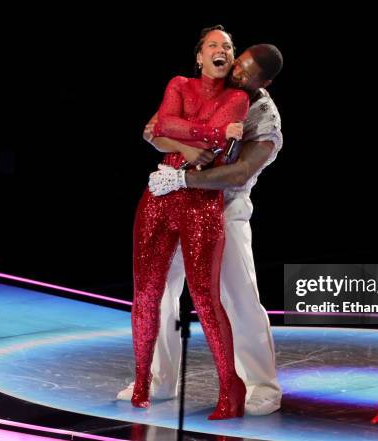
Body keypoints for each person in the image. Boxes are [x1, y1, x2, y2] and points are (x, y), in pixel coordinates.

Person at [120, 43, 284, 416]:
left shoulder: (266, 118)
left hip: (225, 210)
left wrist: (183, 178)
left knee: (238, 298)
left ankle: (262, 386)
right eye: (237, 63)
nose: (237, 73)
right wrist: (187, 147)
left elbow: (240, 171)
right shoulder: (209, 85)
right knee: (159, 291)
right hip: (176, 203)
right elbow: (152, 130)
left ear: (266, 82)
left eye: (247, 72)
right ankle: (160, 380)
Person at [130, 25, 249, 420]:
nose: (222, 50)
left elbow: (199, 143)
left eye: (227, 46)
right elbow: (161, 127)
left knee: (205, 299)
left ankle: (230, 388)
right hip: (160, 194)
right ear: (199, 56)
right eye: (213, 45)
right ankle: (142, 381)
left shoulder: (237, 98)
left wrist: (181, 135)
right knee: (146, 294)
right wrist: (203, 136)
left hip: (202, 201)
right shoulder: (178, 84)